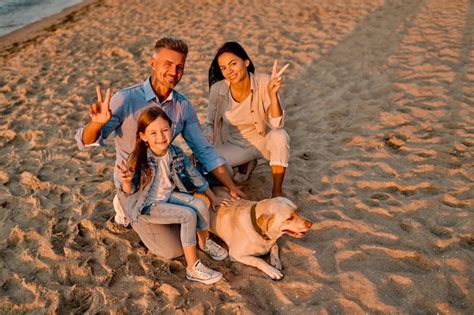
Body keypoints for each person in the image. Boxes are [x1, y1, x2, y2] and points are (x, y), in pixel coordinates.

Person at [75, 37, 245, 259]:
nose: (174, 72)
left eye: (180, 67)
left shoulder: (182, 105)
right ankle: (123, 207)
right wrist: (97, 123)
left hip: (166, 179)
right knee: (173, 251)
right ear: (153, 64)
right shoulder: (126, 99)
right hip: (135, 186)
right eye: (168, 64)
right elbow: (84, 141)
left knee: (225, 173)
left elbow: (204, 150)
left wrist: (231, 187)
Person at [118, 107, 227, 284]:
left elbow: (194, 176)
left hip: (168, 196)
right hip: (147, 205)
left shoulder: (175, 152)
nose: (160, 137)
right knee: (187, 215)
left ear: (172, 129)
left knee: (200, 205)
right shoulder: (138, 158)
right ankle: (192, 268)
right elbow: (130, 193)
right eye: (153, 133)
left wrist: (212, 197)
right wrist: (127, 181)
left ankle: (204, 242)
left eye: (165, 130)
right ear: (143, 136)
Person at [204, 42, 290, 197]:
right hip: (235, 144)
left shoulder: (264, 81)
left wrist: (272, 94)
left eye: (233, 64)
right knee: (206, 164)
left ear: (246, 62)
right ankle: (246, 164)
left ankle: (277, 191)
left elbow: (277, 124)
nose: (229, 71)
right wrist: (208, 138)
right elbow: (209, 122)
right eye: (223, 68)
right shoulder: (218, 89)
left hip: (263, 140)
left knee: (280, 136)